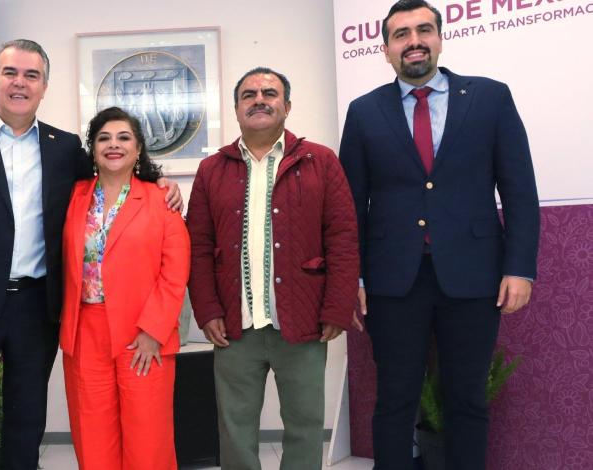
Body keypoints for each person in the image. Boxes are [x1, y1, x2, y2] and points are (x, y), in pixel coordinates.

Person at [0, 39, 182, 470]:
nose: (20, 83)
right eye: (11, 73)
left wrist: (162, 183)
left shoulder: (64, 146)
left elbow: (111, 178)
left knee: (26, 422)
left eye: (31, 76)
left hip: (36, 307)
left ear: (44, 86)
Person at [338, 1, 540, 469]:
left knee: (468, 398)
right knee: (394, 400)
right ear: (386, 49)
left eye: (423, 30)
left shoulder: (491, 98)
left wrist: (519, 268)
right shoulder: (365, 112)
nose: (414, 41)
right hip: (393, 281)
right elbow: (351, 207)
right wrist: (356, 278)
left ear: (439, 37)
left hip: (475, 276)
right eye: (401, 34)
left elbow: (519, 191)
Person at [186, 67, 359, 470]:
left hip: (302, 321)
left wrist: (336, 307)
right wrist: (208, 311)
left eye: (269, 92)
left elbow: (344, 238)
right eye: (249, 94)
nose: (259, 99)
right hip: (234, 324)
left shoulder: (321, 161)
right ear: (236, 108)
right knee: (234, 428)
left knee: (305, 424)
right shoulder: (213, 169)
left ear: (287, 105)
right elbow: (198, 246)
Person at [60, 107, 190, 470]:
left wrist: (154, 331)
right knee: (93, 436)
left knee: (147, 440)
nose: (113, 145)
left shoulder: (161, 200)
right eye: (104, 138)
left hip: (144, 334)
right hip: (84, 332)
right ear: (93, 149)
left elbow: (175, 271)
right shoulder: (73, 196)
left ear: (138, 149)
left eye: (123, 138)